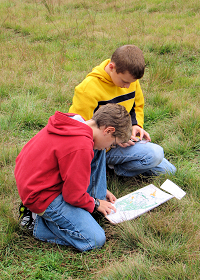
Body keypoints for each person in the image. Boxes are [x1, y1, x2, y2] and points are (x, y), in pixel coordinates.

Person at [15, 104, 132, 252]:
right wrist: (95, 203)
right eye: (113, 143)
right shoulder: (81, 146)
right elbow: (73, 195)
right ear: (108, 130)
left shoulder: (78, 122)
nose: (109, 147)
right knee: (95, 239)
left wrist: (101, 191)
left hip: (36, 179)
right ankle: (37, 223)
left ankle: (87, 206)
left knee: (98, 149)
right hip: (41, 195)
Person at [69, 45, 176, 177]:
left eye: (132, 82)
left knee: (169, 170)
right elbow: (80, 131)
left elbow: (136, 106)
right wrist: (116, 140)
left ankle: (111, 168)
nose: (127, 86)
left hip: (122, 139)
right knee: (155, 154)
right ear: (112, 67)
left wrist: (135, 126)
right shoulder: (87, 89)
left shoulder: (129, 80)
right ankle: (107, 168)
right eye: (125, 81)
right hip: (100, 148)